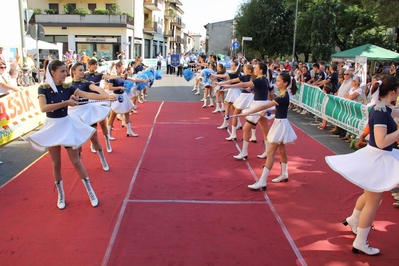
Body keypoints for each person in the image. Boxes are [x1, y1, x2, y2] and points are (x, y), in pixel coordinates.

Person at [26, 60, 116, 210]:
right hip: (52, 127)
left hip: (66, 125)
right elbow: (44, 108)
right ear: (52, 72)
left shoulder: (68, 87)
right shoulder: (43, 89)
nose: (65, 74)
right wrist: (66, 103)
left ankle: (90, 191)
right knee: (56, 164)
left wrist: (107, 97)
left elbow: (87, 94)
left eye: (65, 71)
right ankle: (61, 195)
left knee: (76, 161)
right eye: (62, 71)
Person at [326, 75, 399, 256]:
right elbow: (381, 141)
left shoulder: (380, 107)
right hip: (378, 157)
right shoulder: (381, 111)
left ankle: (353, 220)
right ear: (392, 92)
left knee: (369, 197)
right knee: (373, 203)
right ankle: (360, 242)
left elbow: (392, 115)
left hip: (378, 157)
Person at [237, 72, 298, 189]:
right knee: (281, 150)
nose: (276, 82)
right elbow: (280, 109)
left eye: (279, 81)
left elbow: (264, 106)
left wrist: (248, 112)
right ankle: (284, 174)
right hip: (280, 123)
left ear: (285, 83)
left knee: (270, 153)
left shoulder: (282, 96)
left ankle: (262, 181)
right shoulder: (283, 95)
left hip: (280, 125)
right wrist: (271, 112)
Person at [221, 62, 274, 160]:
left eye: (256, 68)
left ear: (261, 70)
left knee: (246, 129)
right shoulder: (264, 80)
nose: (254, 69)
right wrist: (252, 90)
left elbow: (244, 84)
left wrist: (229, 86)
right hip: (262, 104)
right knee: (265, 130)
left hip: (259, 105)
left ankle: (244, 152)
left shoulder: (260, 79)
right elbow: (260, 91)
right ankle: (268, 151)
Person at [69, 62, 111, 171]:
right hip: (74, 114)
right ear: (74, 71)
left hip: (87, 112)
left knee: (94, 138)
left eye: (83, 70)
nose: (83, 72)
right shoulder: (68, 85)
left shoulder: (86, 83)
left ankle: (103, 159)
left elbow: (98, 89)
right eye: (80, 70)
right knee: (77, 140)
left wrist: (106, 96)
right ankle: (79, 161)